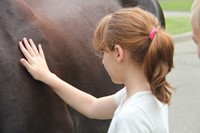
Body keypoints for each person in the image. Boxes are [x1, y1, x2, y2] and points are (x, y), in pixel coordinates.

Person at [19, 7, 174, 133]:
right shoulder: (151, 90)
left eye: (103, 52)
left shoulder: (130, 117)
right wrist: (48, 76)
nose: (102, 60)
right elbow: (92, 106)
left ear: (118, 53)